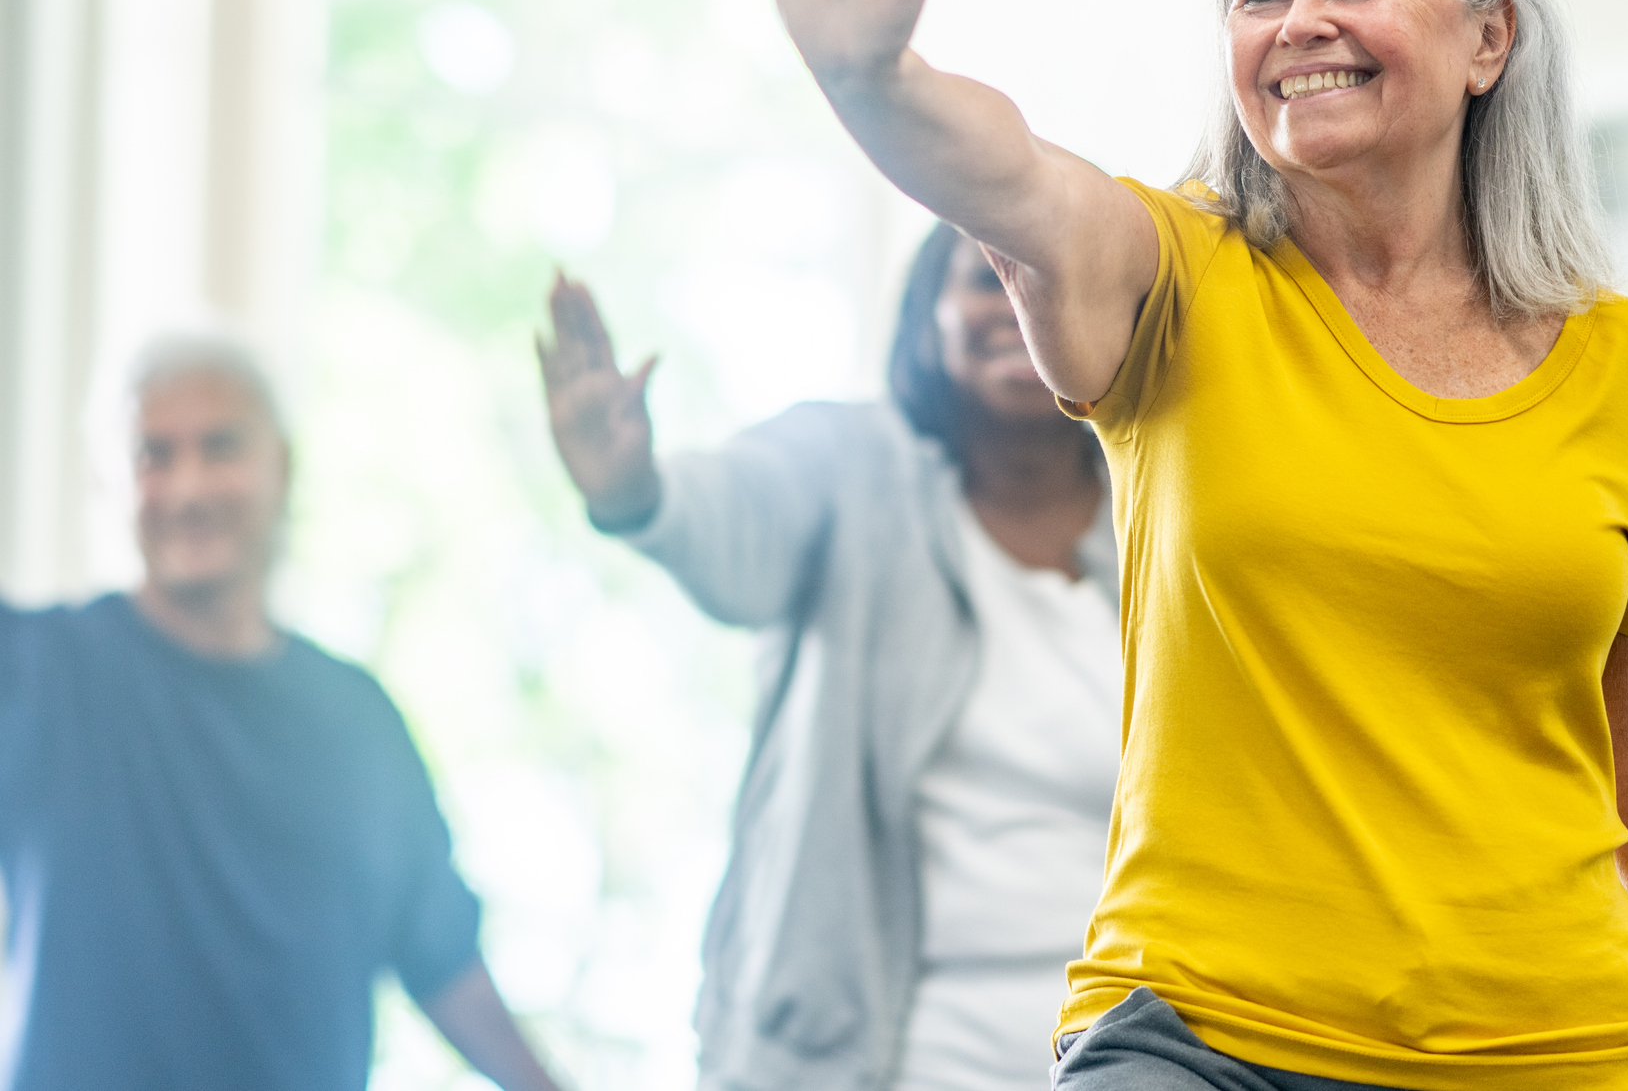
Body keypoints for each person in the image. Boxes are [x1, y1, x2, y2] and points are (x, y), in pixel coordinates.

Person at [709, 0, 1628, 1091]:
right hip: (1204, 1038)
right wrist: (870, 76)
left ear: (1489, 36)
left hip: (1548, 1050)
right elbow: (1013, 181)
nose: (1298, 19)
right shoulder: (1174, 272)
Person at [537, 226, 1121, 1091]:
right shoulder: (850, 466)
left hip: (1124, 1063)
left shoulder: (1168, 514)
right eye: (986, 279)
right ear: (927, 314)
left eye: (1058, 278)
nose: (1022, 305)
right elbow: (735, 520)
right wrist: (633, 488)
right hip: (874, 1063)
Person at [0, 335, 566, 1091]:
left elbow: (444, 963)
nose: (188, 487)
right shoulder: (40, 671)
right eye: (153, 456)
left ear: (283, 467)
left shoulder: (357, 723)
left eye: (220, 447)